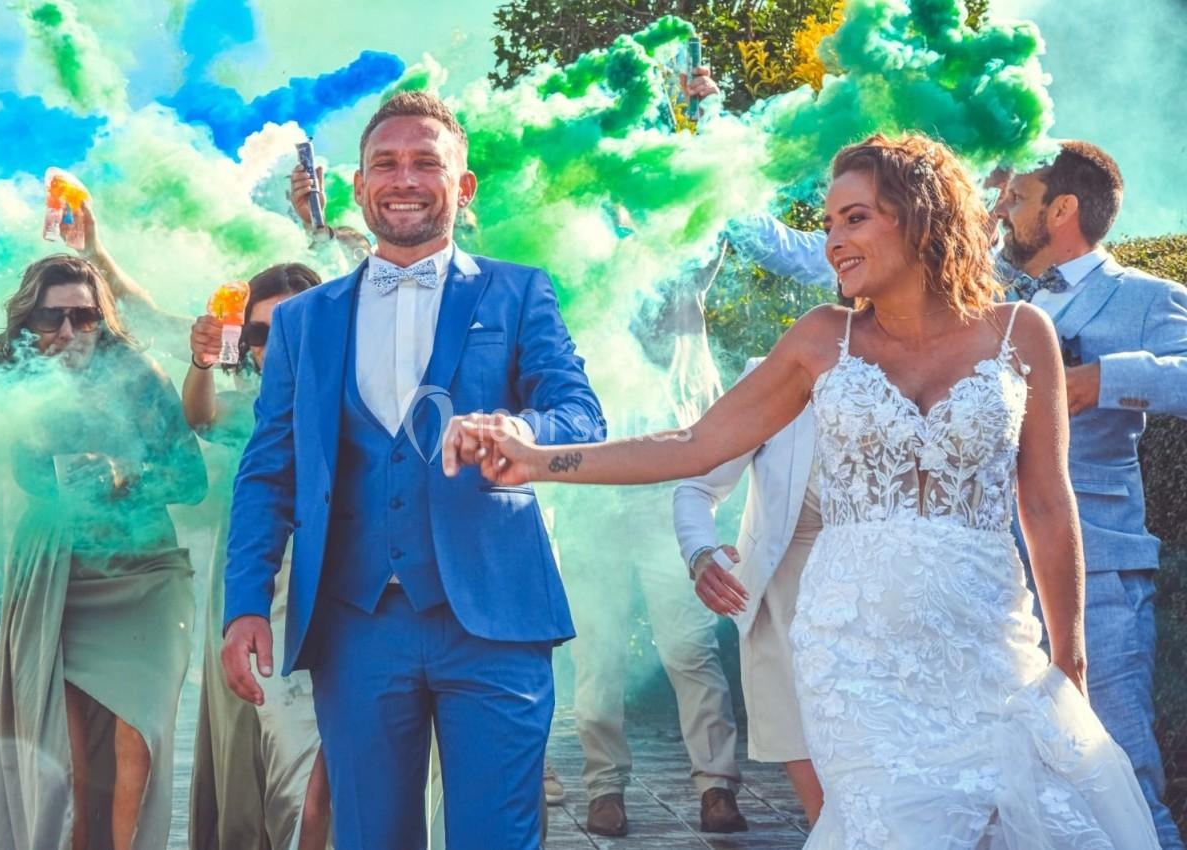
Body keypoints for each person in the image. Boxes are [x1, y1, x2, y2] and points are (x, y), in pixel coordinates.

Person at [446, 133, 1161, 847]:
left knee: (1040, 819)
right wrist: (537, 460)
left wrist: (1070, 660)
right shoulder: (822, 340)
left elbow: (1047, 506)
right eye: (828, 225)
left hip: (990, 640)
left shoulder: (1021, 333)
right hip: (854, 651)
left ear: (921, 216)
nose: (834, 242)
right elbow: (693, 444)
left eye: (856, 218)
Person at [222, 91, 605, 850]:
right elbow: (269, 472)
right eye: (386, 164)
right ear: (359, 185)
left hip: (495, 615)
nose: (404, 179)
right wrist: (244, 604)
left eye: (426, 163)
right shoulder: (301, 320)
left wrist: (521, 430)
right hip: (355, 625)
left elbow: (582, 416)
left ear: (463, 186)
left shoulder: (519, 290)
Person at [0, 254, 207, 850]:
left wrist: (124, 475)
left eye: (85, 316)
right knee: (68, 764)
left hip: (145, 576)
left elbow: (192, 479)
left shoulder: (139, 376)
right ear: (30, 322)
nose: (70, 331)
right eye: (53, 317)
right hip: (60, 574)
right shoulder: (16, 371)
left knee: (139, 739)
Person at [994, 141, 1187, 850]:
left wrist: (1102, 378)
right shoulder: (990, 293)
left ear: (1063, 210)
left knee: (1118, 769)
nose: (1004, 210)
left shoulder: (1145, 296)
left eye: (1018, 198)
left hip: (1097, 569)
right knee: (1012, 780)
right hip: (993, 576)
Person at [558, 239, 746, 837]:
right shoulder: (575, 277)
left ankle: (716, 786)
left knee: (690, 648)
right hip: (592, 501)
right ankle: (603, 787)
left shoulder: (685, 273)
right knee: (597, 655)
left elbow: (717, 219)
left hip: (671, 497)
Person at [182, 263, 332, 850]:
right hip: (254, 585)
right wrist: (201, 363)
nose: (275, 345)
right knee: (255, 748)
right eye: (260, 333)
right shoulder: (248, 402)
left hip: (332, 589)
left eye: (293, 327)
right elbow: (199, 418)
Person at [672, 356, 825, 825]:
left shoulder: (945, 367)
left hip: (899, 620)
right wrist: (701, 554)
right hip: (786, 616)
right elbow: (696, 485)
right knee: (831, 815)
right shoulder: (779, 373)